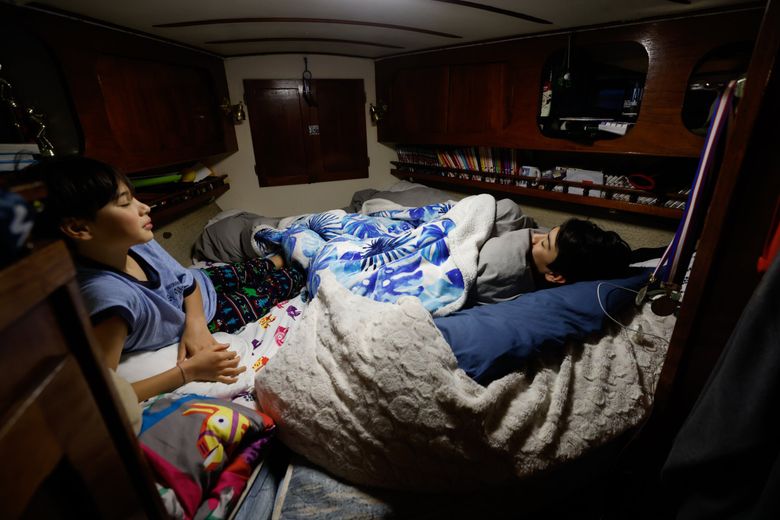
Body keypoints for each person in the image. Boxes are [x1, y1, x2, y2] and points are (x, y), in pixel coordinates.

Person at [30, 156, 306, 401]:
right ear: (79, 227)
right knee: (280, 284)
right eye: (125, 203)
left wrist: (194, 323)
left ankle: (276, 259)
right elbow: (104, 394)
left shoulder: (136, 241)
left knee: (255, 268)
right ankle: (297, 265)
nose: (143, 208)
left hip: (200, 286)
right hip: (215, 315)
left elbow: (186, 283)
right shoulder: (109, 298)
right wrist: (187, 372)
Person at [472, 212, 632, 305]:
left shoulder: (503, 272)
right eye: (549, 234)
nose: (534, 236)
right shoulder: (560, 246)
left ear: (554, 275)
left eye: (544, 244)